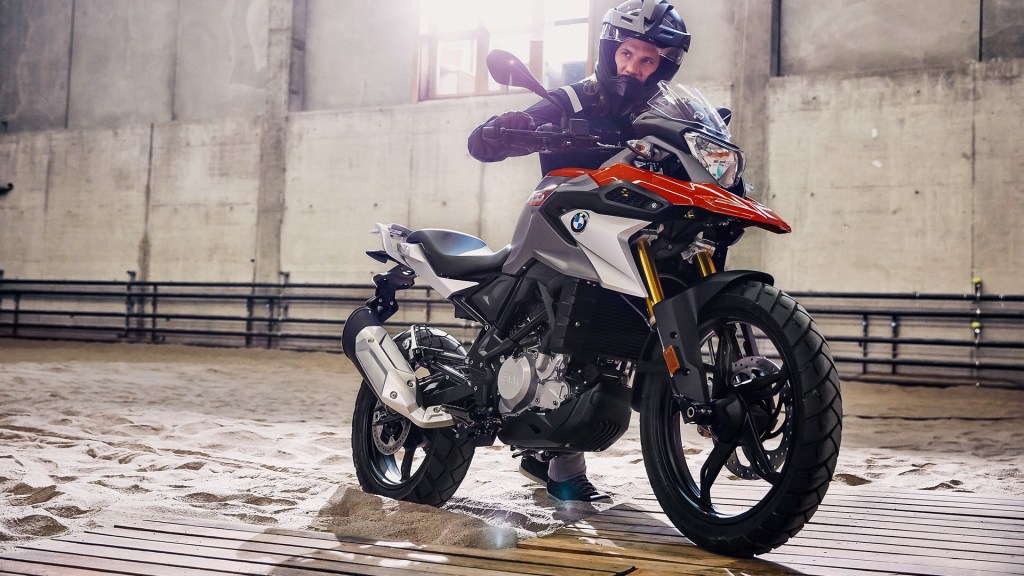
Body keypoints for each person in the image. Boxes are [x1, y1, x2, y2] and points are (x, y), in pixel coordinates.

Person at [467, 0, 690, 502]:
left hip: (631, 237)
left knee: (615, 338)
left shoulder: (662, 112)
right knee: (574, 326)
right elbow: (486, 143)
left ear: (663, 66)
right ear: (610, 49)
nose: (633, 67)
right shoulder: (570, 97)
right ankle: (562, 461)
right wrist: (506, 130)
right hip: (563, 229)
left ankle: (560, 450)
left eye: (648, 60)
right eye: (627, 53)